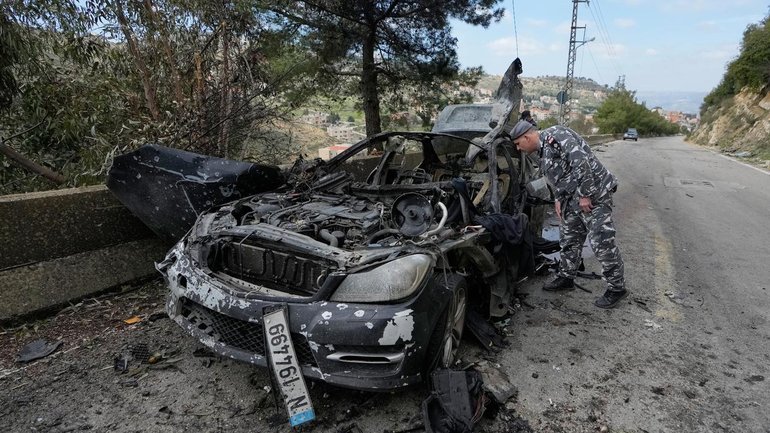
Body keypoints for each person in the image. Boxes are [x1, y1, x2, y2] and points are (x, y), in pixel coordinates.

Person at [510, 120, 627, 308]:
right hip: (571, 198)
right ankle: (566, 277)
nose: (518, 148)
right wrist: (558, 198)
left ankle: (616, 287)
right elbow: (557, 175)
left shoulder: (555, 136)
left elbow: (581, 162)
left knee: (601, 241)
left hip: (595, 194)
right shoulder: (541, 151)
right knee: (569, 238)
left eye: (518, 143)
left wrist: (586, 195)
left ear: (527, 136)